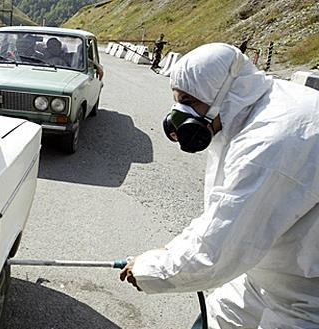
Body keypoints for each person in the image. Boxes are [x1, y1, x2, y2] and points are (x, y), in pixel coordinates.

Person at [120, 43, 319, 328]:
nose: (180, 114)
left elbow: (217, 253)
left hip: (307, 301)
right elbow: (221, 211)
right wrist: (170, 250)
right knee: (214, 318)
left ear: (225, 93)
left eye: (190, 101)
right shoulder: (249, 111)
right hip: (268, 277)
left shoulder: (269, 144)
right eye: (178, 101)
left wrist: (148, 269)